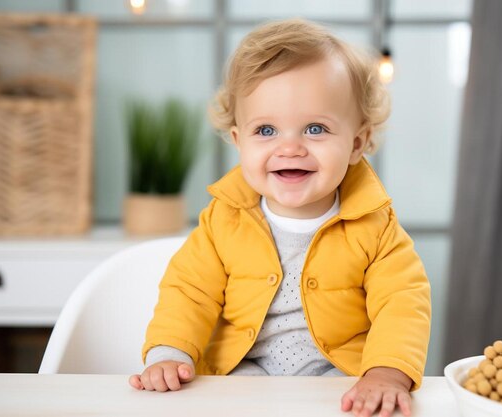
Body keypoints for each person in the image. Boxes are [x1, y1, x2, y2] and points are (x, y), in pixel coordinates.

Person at [129, 18, 431, 417]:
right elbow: (189, 291)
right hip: (238, 377)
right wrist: (170, 353)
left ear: (357, 143)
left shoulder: (375, 226)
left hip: (340, 380)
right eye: (266, 130)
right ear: (239, 141)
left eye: (315, 129)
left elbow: (402, 301)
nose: (290, 148)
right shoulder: (224, 219)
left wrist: (387, 374)